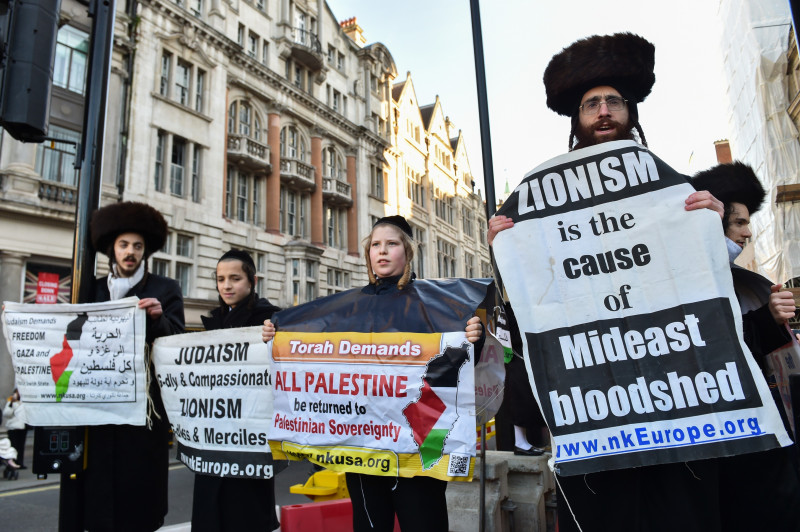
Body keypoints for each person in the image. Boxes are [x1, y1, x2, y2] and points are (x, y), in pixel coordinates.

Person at [488, 33, 726, 532]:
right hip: (592, 393)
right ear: (577, 119)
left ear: (630, 112)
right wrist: (504, 247)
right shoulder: (537, 199)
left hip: (672, 387)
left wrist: (712, 229)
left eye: (612, 101)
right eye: (591, 103)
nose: (602, 111)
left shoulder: (671, 187)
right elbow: (529, 294)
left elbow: (703, 277)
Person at [263, 215, 483, 532]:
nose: (382, 251)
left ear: (407, 252)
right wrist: (278, 335)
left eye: (391, 244)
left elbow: (460, 371)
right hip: (365, 452)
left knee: (424, 523)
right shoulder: (349, 308)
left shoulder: (439, 307)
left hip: (420, 450)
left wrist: (475, 338)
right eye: (375, 245)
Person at [692, 162, 800, 531]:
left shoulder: (737, 279)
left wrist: (769, 318)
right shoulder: (690, 278)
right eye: (738, 222)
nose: (747, 232)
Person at [83, 201, 185, 532]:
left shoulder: (165, 289)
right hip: (98, 414)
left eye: (137, 246)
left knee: (141, 506)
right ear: (112, 247)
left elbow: (177, 341)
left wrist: (158, 320)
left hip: (145, 418)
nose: (131, 252)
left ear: (146, 250)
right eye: (124, 245)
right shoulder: (91, 289)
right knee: (99, 505)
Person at [191, 249, 281, 532]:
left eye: (234, 278)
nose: (226, 286)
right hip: (214, 436)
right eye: (220, 279)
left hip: (249, 438)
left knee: (245, 514)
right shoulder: (214, 321)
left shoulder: (273, 320)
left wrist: (275, 339)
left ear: (251, 281)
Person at [3, 388, 27, 468]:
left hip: (21, 427)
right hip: (13, 427)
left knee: (20, 446)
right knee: (14, 446)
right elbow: (6, 414)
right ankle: (12, 462)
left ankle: (20, 462)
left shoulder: (23, 403)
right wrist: (12, 404)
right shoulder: (11, 402)